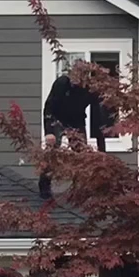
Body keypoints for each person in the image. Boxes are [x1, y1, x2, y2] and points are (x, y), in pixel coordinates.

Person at [39, 60, 102, 197]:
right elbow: (49, 107)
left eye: (80, 76)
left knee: (81, 153)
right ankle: (44, 185)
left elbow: (97, 119)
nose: (76, 79)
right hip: (57, 118)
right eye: (74, 75)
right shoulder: (62, 83)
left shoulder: (91, 90)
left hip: (76, 120)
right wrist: (49, 132)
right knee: (53, 150)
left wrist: (102, 147)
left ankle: (80, 188)